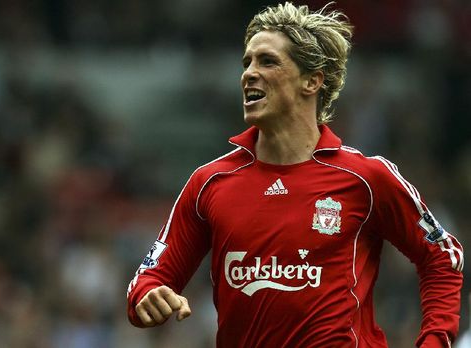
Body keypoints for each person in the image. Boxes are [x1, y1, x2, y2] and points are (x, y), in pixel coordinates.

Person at [126, 2, 464, 347]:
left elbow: (442, 256)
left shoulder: (365, 177)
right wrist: (148, 295)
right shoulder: (209, 183)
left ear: (311, 81)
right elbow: (149, 280)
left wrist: (435, 340)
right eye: (247, 62)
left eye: (267, 61)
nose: (249, 73)